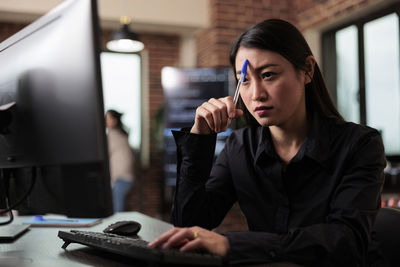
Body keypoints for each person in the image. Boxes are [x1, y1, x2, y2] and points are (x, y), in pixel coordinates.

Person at [148, 19, 387, 266]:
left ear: (307, 70)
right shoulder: (240, 148)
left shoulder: (360, 145)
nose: (256, 94)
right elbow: (189, 225)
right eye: (246, 80)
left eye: (268, 75)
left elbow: (347, 241)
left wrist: (232, 244)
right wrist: (200, 139)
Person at [105, 109, 135, 212]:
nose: (105, 120)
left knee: (117, 212)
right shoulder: (123, 135)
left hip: (119, 179)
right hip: (126, 178)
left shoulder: (112, 136)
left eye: (107, 118)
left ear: (114, 121)